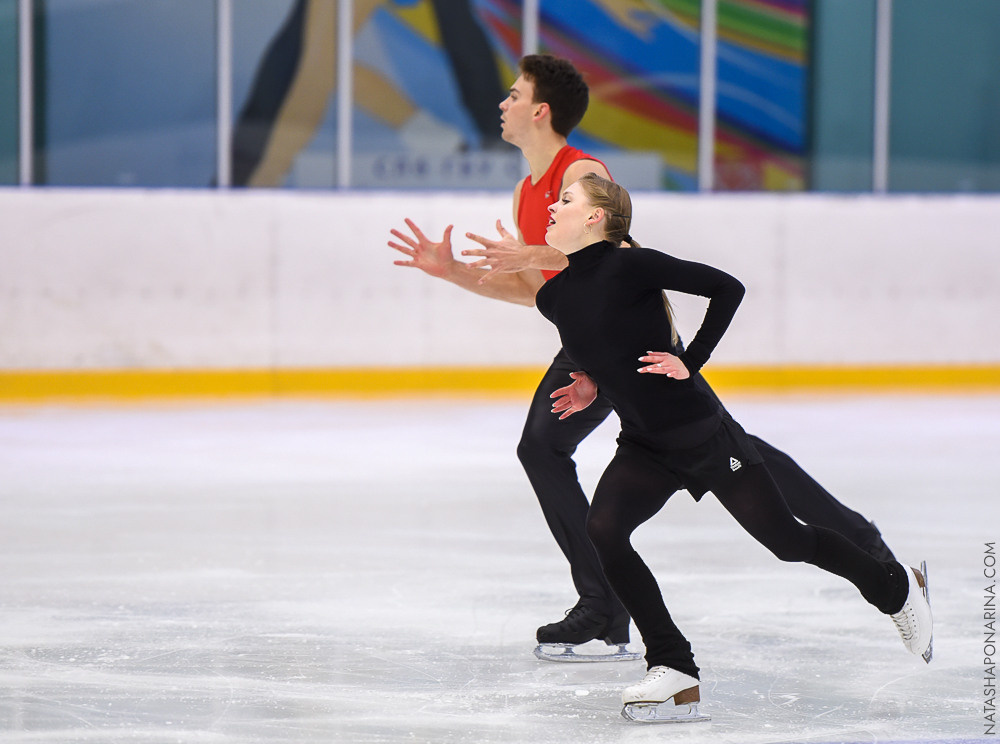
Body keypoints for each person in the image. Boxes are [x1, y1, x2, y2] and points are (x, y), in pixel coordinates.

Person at [388, 54, 896, 658]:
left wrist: (535, 259)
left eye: (514, 94)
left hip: (631, 343)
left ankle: (610, 602)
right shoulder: (528, 192)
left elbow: (615, 259)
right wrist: (453, 272)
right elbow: (537, 294)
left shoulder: (581, 172)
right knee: (572, 447)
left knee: (718, 449)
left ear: (540, 110)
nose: (503, 103)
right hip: (589, 345)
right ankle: (606, 602)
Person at [538, 172, 932, 721]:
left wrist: (690, 360)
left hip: (703, 435)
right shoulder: (552, 295)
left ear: (595, 218)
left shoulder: (632, 264)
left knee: (789, 542)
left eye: (565, 200)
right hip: (645, 447)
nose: (552, 207)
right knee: (604, 529)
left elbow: (728, 287)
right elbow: (606, 343)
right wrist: (591, 385)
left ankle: (896, 586)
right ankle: (674, 669)